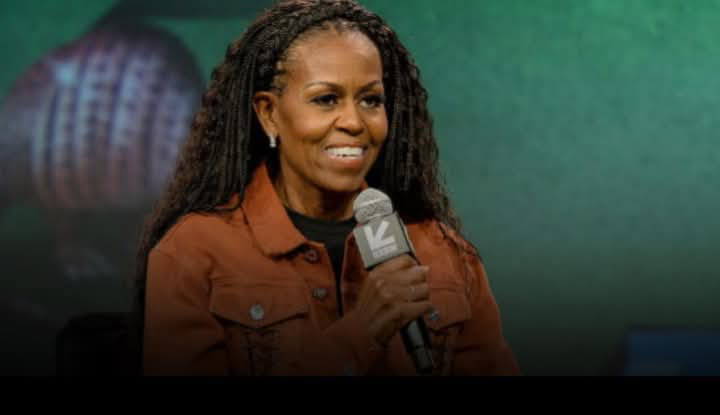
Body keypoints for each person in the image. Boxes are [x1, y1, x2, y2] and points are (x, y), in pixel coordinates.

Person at [134, 0, 520, 376]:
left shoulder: (447, 255)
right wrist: (363, 331)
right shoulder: (193, 255)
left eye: (371, 100)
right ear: (269, 113)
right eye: (326, 99)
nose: (353, 121)